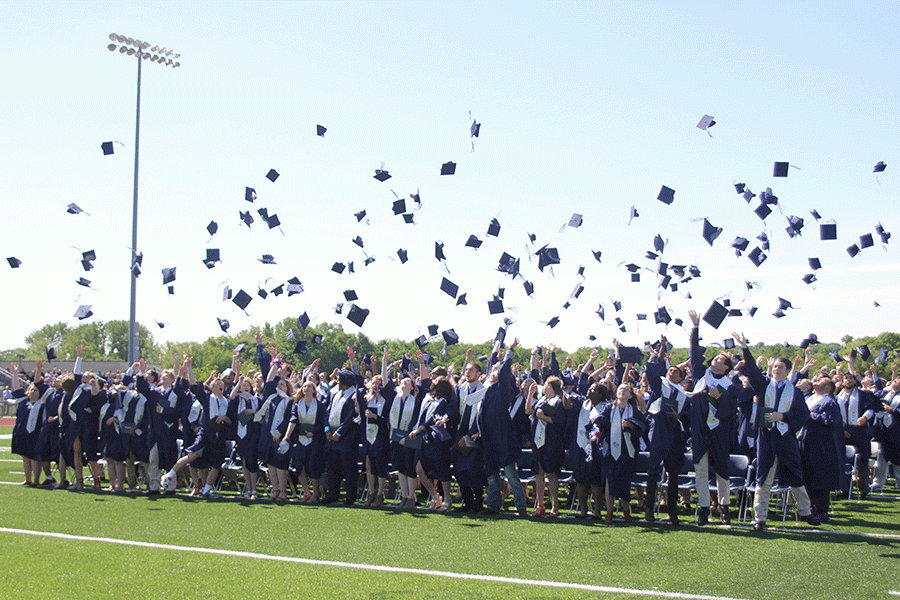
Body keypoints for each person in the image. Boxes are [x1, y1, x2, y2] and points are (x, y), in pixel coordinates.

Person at [734, 332, 816, 531]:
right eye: (775, 367)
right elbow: (752, 369)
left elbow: (803, 415)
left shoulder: (795, 392)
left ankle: (805, 512)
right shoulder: (763, 386)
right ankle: (759, 517)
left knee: (796, 474)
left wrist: (784, 417)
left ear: (788, 371)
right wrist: (744, 347)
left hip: (786, 437)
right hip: (766, 437)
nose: (777, 369)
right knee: (764, 477)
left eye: (781, 367)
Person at [687, 310, 738, 525]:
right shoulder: (701, 377)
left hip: (719, 432)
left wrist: (719, 399)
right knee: (700, 471)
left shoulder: (730, 386)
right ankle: (703, 508)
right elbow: (694, 353)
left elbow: (731, 412)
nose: (713, 360)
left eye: (718, 359)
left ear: (725, 367)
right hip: (700, 430)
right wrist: (696, 327)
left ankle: (724, 507)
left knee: (722, 471)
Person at [478, 337, 528, 516]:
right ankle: (493, 506)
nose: (493, 370)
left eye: (495, 369)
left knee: (511, 475)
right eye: (492, 369)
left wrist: (509, 351)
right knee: (491, 477)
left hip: (503, 440)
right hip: (489, 440)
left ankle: (521, 507)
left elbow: (506, 371)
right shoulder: (487, 391)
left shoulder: (503, 389)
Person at [595, 382, 648, 523]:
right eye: (620, 389)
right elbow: (598, 423)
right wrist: (593, 433)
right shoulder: (609, 408)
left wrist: (631, 425)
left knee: (625, 481)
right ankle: (609, 513)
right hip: (610, 451)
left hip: (628, 451)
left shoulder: (634, 412)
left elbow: (642, 428)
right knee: (609, 481)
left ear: (630, 395)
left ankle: (626, 512)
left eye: (625, 390)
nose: (622, 391)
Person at [799, 378, 843, 524]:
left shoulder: (829, 402)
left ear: (828, 387)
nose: (815, 380)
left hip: (820, 446)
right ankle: (808, 508)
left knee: (820, 478)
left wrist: (811, 415)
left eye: (820, 379)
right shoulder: (811, 398)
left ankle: (821, 510)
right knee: (807, 476)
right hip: (805, 443)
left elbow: (830, 421)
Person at [526, 369, 570, 517]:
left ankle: (555, 505)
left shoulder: (558, 402)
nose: (543, 387)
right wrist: (530, 395)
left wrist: (545, 417)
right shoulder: (541, 400)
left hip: (551, 442)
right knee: (539, 473)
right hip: (538, 442)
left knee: (550, 474)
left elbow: (560, 422)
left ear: (550, 386)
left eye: (545, 384)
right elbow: (528, 411)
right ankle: (540, 504)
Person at [322, 348, 362, 505]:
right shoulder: (335, 393)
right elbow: (327, 412)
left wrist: (339, 433)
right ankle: (333, 495)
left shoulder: (354, 395)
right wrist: (327, 430)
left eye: (340, 379)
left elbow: (351, 418)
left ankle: (350, 497)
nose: (337, 382)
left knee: (349, 469)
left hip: (346, 438)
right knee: (333, 469)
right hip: (330, 437)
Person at [835, 366, 878, 499]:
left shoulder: (863, 394)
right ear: (842, 382)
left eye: (850, 378)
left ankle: (864, 489)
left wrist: (865, 417)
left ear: (855, 381)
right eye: (845, 378)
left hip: (859, 429)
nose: (848, 380)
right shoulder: (838, 397)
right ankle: (845, 489)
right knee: (844, 459)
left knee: (862, 459)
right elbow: (836, 415)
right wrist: (842, 430)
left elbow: (870, 409)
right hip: (844, 430)